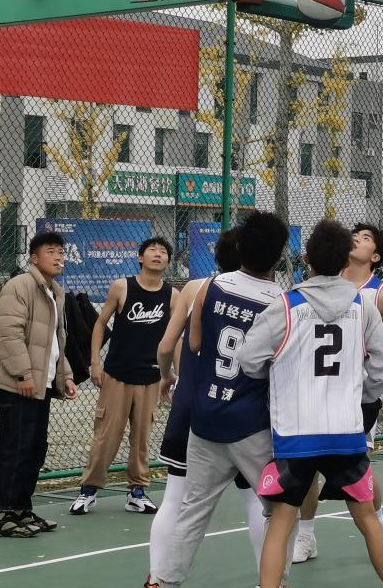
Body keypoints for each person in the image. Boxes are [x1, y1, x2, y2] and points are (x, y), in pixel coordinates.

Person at [236, 219, 383, 588]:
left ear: (307, 258)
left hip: (296, 433)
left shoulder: (286, 306)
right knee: (368, 519)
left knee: (281, 523)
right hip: (346, 432)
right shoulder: (362, 305)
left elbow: (248, 359)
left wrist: (278, 378)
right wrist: (361, 393)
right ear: (345, 260)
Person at [148, 211, 288, 588]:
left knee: (191, 511)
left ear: (239, 247)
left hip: (206, 417)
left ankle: (163, 580)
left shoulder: (209, 286)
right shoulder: (281, 302)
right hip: (252, 425)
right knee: (278, 510)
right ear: (278, 255)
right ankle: (275, 581)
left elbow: (193, 343)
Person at [292, 223, 383, 563]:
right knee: (308, 466)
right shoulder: (323, 284)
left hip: (358, 397)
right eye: (354, 235)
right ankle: (306, 536)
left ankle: (380, 523)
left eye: (366, 238)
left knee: (359, 469)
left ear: (376, 256)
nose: (357, 238)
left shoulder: (379, 294)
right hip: (316, 391)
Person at [0, 231, 78, 538]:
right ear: (34, 258)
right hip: (17, 383)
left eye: (61, 252)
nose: (58, 257)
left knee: (34, 448)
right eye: (51, 252)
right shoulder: (20, 285)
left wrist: (65, 375)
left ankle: (21, 510)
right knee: (15, 447)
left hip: (39, 384)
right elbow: (7, 334)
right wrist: (22, 374)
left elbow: (55, 342)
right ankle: (3, 516)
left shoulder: (54, 292)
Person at [70, 237, 180, 516]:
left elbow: (175, 338)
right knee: (106, 435)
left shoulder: (173, 295)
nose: (158, 254)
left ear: (168, 261)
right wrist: (95, 362)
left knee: (142, 438)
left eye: (163, 252)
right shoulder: (122, 286)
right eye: (152, 250)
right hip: (117, 375)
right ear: (140, 258)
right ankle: (89, 490)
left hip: (151, 378)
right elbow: (100, 324)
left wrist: (177, 374)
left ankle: (137, 492)